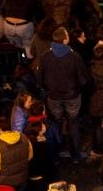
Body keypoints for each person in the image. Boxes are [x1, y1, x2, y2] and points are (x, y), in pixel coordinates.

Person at [36, 27, 89, 160]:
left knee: (56, 124)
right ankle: (75, 155)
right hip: (72, 97)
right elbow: (83, 80)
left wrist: (47, 89)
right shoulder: (74, 57)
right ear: (65, 40)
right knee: (73, 124)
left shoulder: (45, 57)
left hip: (53, 97)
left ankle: (57, 153)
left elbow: (39, 78)